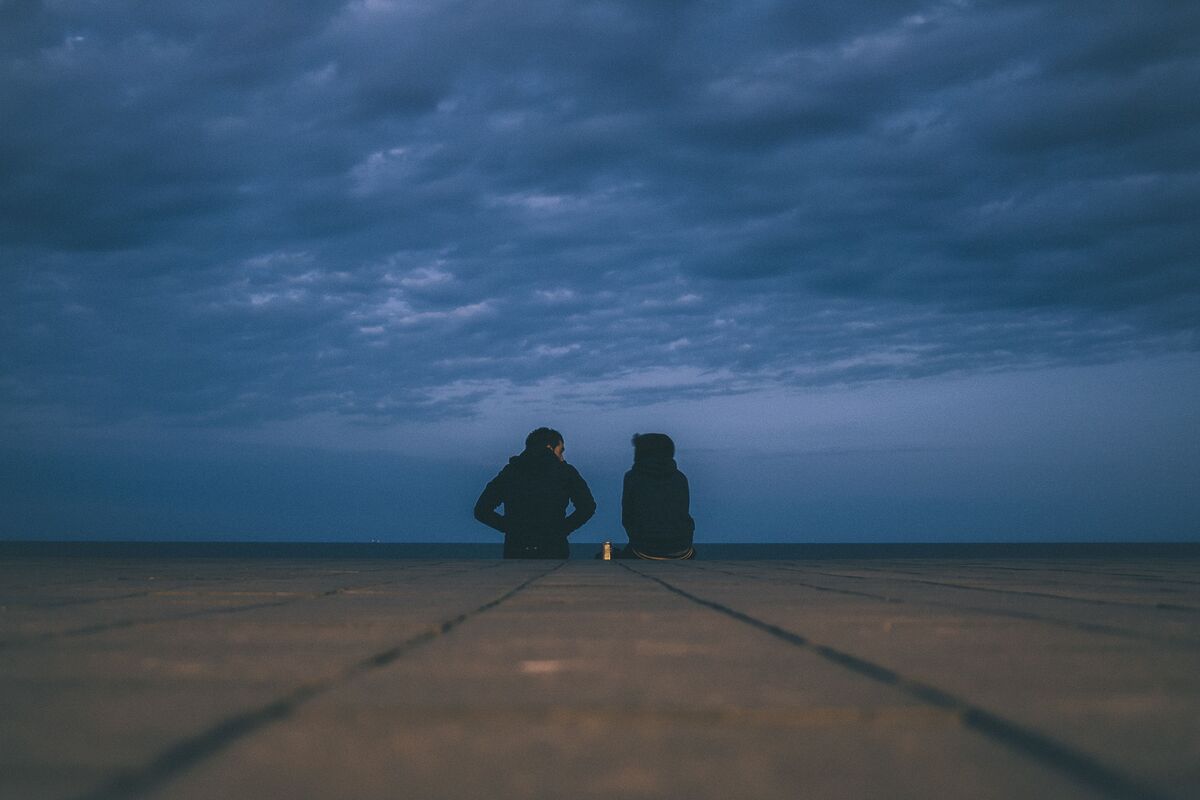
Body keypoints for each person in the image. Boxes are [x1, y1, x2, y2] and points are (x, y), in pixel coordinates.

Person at [474, 427, 597, 559]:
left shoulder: (511, 471)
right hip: (554, 549)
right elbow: (588, 506)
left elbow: (481, 510)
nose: (562, 457)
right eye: (561, 451)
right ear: (550, 447)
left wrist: (511, 528)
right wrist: (561, 529)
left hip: (516, 549)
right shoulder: (565, 472)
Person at [616, 433, 696, 559]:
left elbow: (628, 516)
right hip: (682, 547)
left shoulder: (633, 477)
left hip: (645, 549)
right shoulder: (680, 478)